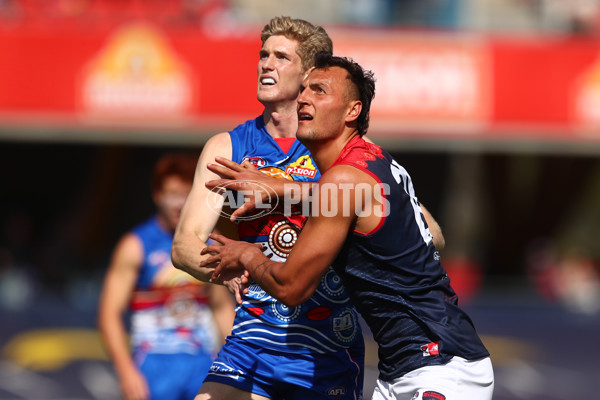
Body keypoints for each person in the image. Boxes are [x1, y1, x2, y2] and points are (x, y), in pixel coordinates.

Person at [203, 53, 494, 400]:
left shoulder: (342, 180)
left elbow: (291, 286)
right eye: (304, 90)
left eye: (320, 91)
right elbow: (344, 196)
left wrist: (248, 254)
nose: (304, 98)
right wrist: (279, 186)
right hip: (402, 371)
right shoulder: (373, 161)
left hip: (440, 368)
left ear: (352, 111)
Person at [172, 16, 367, 400]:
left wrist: (282, 192)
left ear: (308, 73)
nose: (266, 63)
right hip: (251, 344)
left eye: (281, 57)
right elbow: (184, 244)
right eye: (263, 55)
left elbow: (409, 220)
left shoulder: (338, 150)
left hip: (326, 349)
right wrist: (227, 266)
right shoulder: (228, 149)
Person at [98, 152, 235, 400]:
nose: (180, 203)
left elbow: (220, 306)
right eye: (172, 194)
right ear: (157, 195)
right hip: (152, 366)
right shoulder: (135, 245)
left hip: (203, 363)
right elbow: (109, 313)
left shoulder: (208, 239)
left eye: (186, 194)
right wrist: (126, 371)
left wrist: (234, 365)